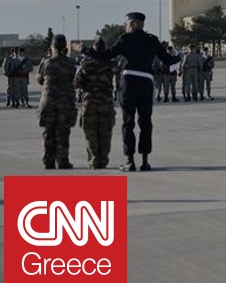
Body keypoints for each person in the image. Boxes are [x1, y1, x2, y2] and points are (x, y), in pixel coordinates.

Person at [100, 12, 180, 171]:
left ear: (135, 24)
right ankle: (145, 161)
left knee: (128, 122)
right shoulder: (152, 40)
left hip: (129, 83)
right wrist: (179, 57)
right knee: (146, 122)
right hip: (146, 84)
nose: (125, 26)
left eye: (127, 23)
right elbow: (168, 60)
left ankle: (130, 161)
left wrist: (87, 51)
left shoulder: (125, 39)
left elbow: (108, 55)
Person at [36, 35, 78, 169]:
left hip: (48, 100)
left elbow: (40, 80)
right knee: (63, 131)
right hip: (65, 101)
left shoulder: (46, 62)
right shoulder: (71, 63)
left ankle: (48, 160)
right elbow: (76, 81)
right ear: (65, 47)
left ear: (52, 47)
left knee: (48, 131)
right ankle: (63, 160)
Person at [75, 39, 117, 169]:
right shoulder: (111, 64)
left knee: (91, 134)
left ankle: (94, 161)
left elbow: (76, 83)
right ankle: (103, 160)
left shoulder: (86, 65)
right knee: (105, 133)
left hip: (89, 102)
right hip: (106, 102)